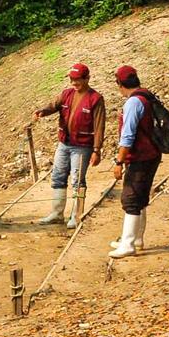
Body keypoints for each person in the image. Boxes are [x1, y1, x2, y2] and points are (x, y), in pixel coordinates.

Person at [33, 62, 106, 227]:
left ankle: (76, 215)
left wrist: (97, 150)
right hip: (64, 143)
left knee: (77, 180)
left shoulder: (95, 99)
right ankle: (57, 213)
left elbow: (99, 126)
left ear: (87, 78)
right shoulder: (66, 94)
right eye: (72, 79)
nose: (74, 83)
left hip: (82, 146)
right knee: (58, 176)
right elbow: (54, 105)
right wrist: (43, 111)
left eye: (78, 80)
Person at [110, 65, 162, 258]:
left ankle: (129, 244)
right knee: (140, 197)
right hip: (151, 153)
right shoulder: (146, 95)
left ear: (119, 84)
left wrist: (118, 161)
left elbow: (128, 136)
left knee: (131, 199)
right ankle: (134, 238)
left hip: (141, 156)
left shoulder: (133, 103)